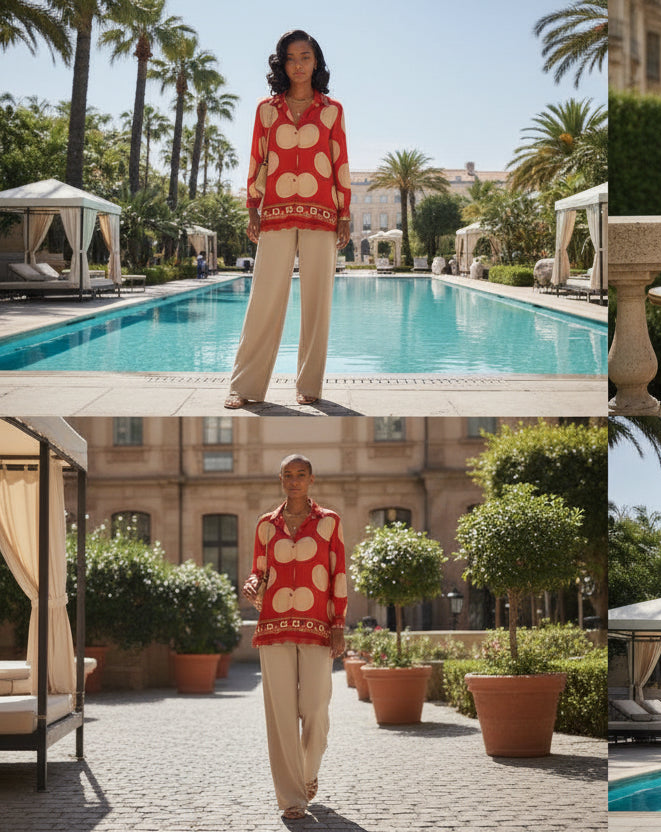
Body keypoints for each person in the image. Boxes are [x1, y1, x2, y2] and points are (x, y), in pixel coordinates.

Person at [225, 29, 352, 409]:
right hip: (276, 213)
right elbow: (257, 158)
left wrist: (345, 214)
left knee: (318, 303)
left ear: (317, 62)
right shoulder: (267, 110)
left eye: (306, 57)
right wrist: (252, 205)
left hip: (323, 213)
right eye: (292, 58)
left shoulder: (332, 110)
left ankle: (309, 386)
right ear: (282, 64)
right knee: (264, 299)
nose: (299, 64)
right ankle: (245, 387)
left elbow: (340, 162)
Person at [242, 454, 348, 821]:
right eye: (288, 475)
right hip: (273, 627)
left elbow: (338, 574)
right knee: (281, 715)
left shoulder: (330, 523)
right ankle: (292, 797)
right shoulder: (265, 525)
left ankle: (308, 772)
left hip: (319, 626)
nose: (294, 481)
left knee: (316, 708)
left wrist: (339, 624)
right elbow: (259, 571)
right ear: (281, 479)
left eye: (300, 474)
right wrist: (253, 583)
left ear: (311, 480)